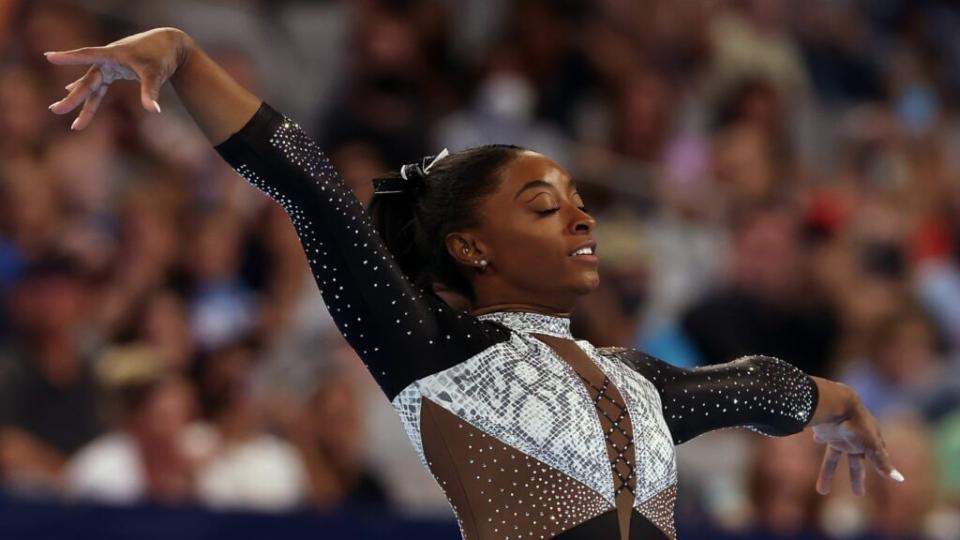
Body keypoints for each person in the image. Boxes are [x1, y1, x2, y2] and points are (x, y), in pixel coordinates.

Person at [44, 27, 903, 540]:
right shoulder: (432, 349)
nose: (582, 220)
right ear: (472, 246)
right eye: (543, 207)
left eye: (578, 203)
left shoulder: (638, 382)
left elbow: (755, 386)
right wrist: (186, 57)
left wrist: (842, 408)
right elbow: (313, 187)